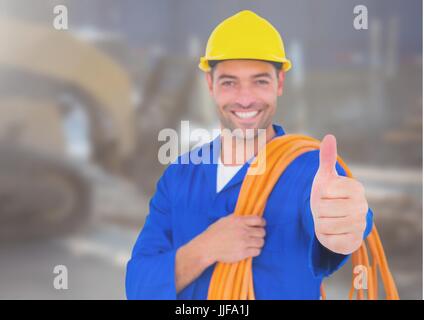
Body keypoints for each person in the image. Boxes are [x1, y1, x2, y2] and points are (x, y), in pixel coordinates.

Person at [126, 10, 373, 300]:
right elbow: (139, 287)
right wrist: (205, 248)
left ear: (279, 83)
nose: (245, 98)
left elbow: (340, 222)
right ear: (210, 85)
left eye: (260, 81)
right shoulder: (180, 174)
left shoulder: (309, 171)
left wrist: (343, 224)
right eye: (230, 82)